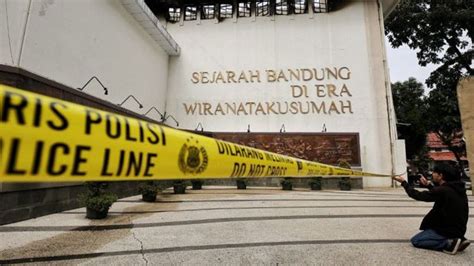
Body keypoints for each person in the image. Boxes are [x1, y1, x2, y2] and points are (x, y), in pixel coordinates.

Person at [392, 163, 470, 255]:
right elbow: (440, 193)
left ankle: (449, 243)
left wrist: (404, 183)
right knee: (428, 230)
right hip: (458, 228)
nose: (432, 174)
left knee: (416, 240)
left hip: (446, 229)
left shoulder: (443, 190)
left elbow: (418, 195)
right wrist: (428, 186)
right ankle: (460, 239)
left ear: (440, 176)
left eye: (434, 172)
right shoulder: (456, 188)